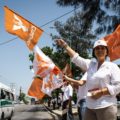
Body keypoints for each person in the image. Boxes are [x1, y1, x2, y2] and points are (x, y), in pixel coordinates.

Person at [56, 38, 120, 120]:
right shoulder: (90, 65)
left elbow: (118, 86)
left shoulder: (112, 66)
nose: (100, 50)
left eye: (102, 48)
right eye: (97, 48)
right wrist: (65, 45)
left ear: (106, 51)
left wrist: (101, 92)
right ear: (94, 52)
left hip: (106, 106)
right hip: (89, 107)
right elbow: (76, 58)